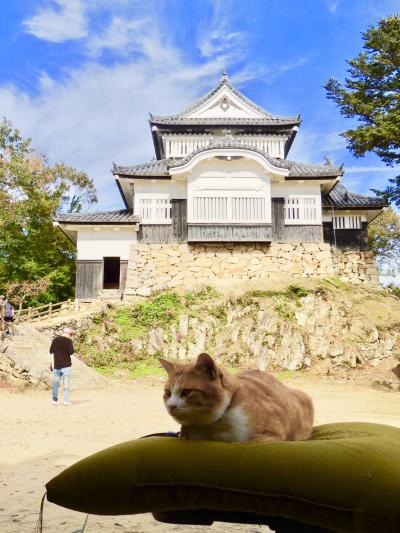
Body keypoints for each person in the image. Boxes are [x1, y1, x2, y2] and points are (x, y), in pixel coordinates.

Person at [50, 327, 74, 406]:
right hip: (66, 365)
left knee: (56, 384)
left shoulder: (55, 340)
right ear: (68, 333)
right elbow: (71, 352)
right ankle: (66, 401)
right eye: (70, 334)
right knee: (66, 384)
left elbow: (51, 351)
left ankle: (55, 400)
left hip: (57, 365)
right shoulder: (68, 341)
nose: (70, 336)